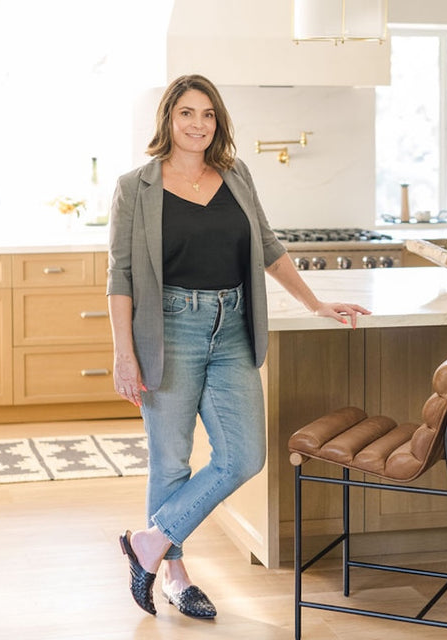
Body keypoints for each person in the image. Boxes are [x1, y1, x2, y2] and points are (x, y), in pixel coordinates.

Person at [108, 74, 370, 619]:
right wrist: (123, 354)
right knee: (171, 459)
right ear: (168, 119)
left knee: (243, 456)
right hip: (171, 328)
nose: (197, 124)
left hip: (233, 329)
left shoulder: (236, 174)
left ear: (218, 121)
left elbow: (269, 247)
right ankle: (176, 576)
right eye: (186, 113)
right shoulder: (136, 186)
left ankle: (149, 544)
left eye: (207, 114)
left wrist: (315, 302)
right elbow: (122, 276)